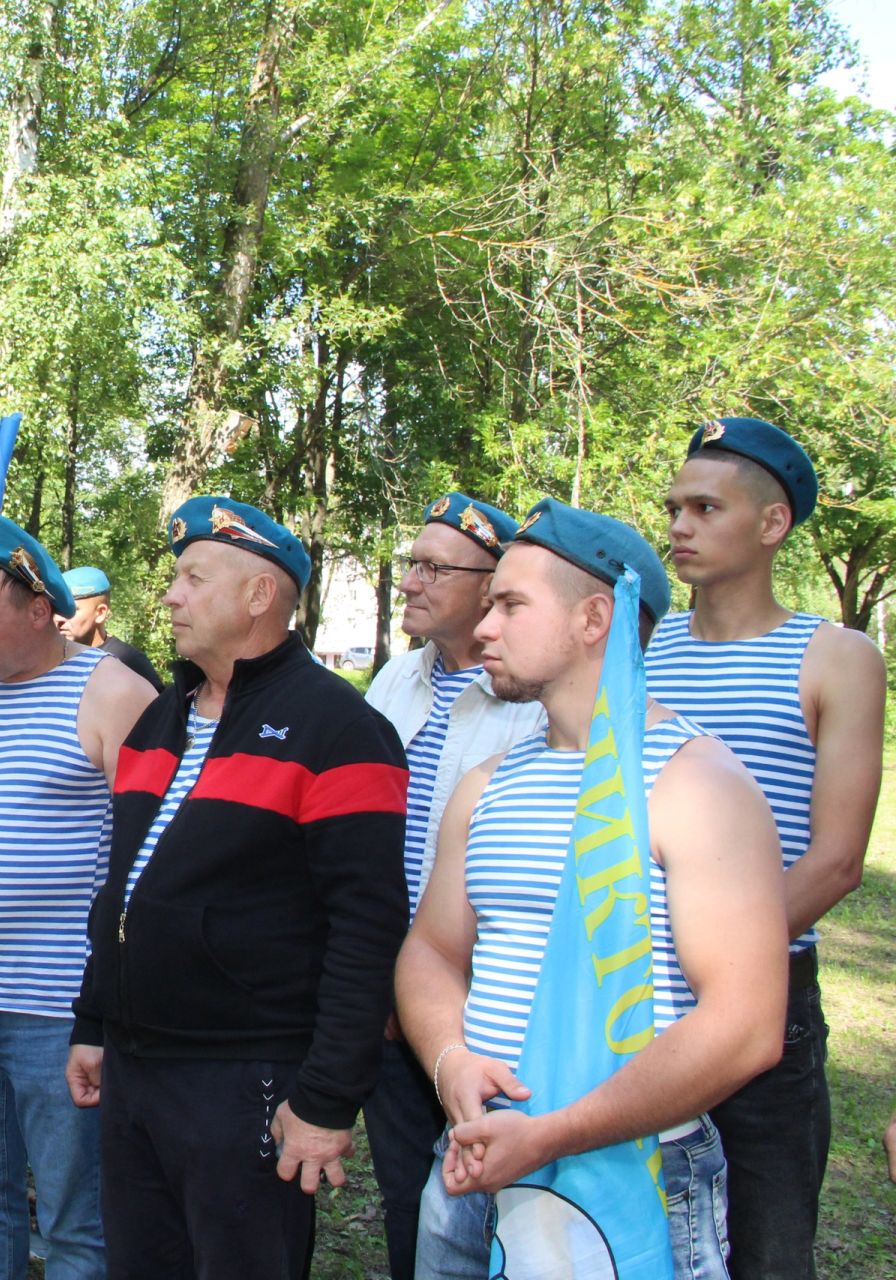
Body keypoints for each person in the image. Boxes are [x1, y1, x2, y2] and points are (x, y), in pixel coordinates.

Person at [396, 498, 788, 1278]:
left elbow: (746, 1025)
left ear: (593, 618)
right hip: (473, 1159)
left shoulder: (695, 785)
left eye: (510, 605)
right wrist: (450, 1065)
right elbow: (432, 953)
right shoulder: (488, 786)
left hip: (631, 1174)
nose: (484, 628)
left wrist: (551, 1134)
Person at [68, 497, 409, 1279]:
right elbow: (119, 887)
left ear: (260, 597)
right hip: (135, 1065)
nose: (170, 596)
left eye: (192, 577)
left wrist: (325, 1099)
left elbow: (367, 928)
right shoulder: (161, 718)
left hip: (245, 1075)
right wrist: (94, 1019)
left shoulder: (339, 728)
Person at [646, 416, 886, 1279]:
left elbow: (836, 860)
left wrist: (713, 962)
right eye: (674, 507)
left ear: (773, 523)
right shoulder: (640, 647)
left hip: (763, 998)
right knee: (631, 1237)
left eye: (706, 508)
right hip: (630, 992)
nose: (679, 526)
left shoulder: (837, 658)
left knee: (768, 1248)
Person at [0, 514, 156, 1280]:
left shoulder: (113, 690)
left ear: (38, 611)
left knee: (74, 1221)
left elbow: (147, 858)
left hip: (54, 1011)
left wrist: (113, 1001)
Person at [360, 492, 542, 1280]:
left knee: (510, 1201)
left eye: (435, 568)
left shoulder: (535, 699)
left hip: (492, 1008)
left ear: (491, 583)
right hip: (391, 991)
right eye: (411, 564)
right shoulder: (396, 681)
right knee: (414, 1199)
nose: (410, 582)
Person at [59, 565, 164, 691]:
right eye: (57, 609)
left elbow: (163, 708)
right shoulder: (50, 658)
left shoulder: (129, 661)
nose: (60, 618)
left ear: (100, 613)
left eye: (71, 609)